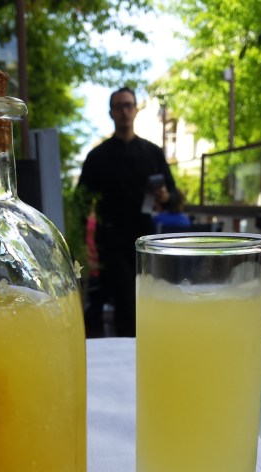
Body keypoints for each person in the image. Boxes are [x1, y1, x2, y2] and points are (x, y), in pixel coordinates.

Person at [77, 87, 178, 336]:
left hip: (146, 236)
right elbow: (81, 202)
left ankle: (147, 346)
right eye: (119, 106)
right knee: (125, 301)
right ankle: (128, 350)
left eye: (128, 105)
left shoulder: (152, 153)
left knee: (149, 296)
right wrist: (84, 245)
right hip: (111, 239)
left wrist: (166, 197)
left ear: (136, 110)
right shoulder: (97, 157)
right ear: (111, 113)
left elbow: (174, 194)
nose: (124, 111)